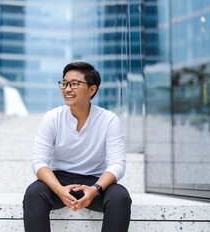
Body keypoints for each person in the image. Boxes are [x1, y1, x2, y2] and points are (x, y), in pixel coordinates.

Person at [23, 62, 132, 232]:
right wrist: (59, 190)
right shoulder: (53, 117)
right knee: (34, 193)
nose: (67, 89)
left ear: (92, 90)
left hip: (95, 181)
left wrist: (95, 189)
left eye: (74, 84)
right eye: (64, 83)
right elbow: (39, 162)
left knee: (120, 196)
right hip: (59, 179)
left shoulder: (109, 120)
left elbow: (118, 164)